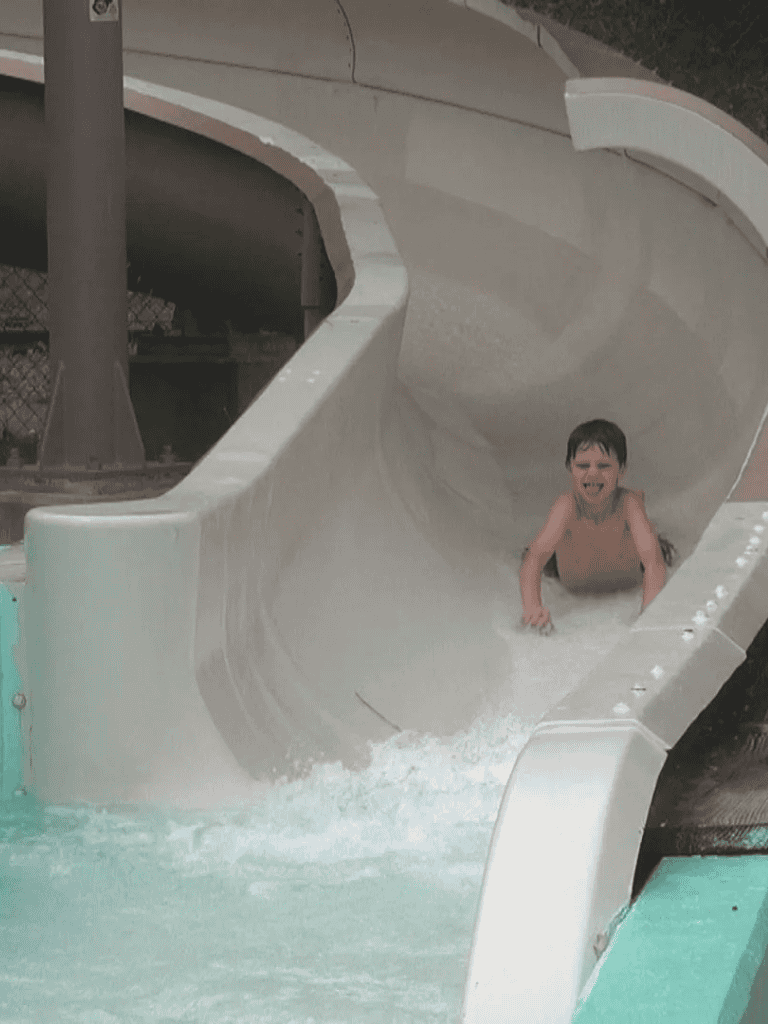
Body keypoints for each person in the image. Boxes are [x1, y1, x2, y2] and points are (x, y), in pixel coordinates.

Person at [520, 419, 676, 634]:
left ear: (621, 470)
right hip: (572, 579)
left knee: (653, 544)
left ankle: (658, 537)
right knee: (534, 551)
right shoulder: (567, 507)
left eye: (604, 466)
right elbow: (534, 560)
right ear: (570, 469)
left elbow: (653, 563)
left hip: (628, 577)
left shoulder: (629, 504)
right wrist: (533, 610)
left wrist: (649, 612)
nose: (593, 473)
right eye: (583, 466)